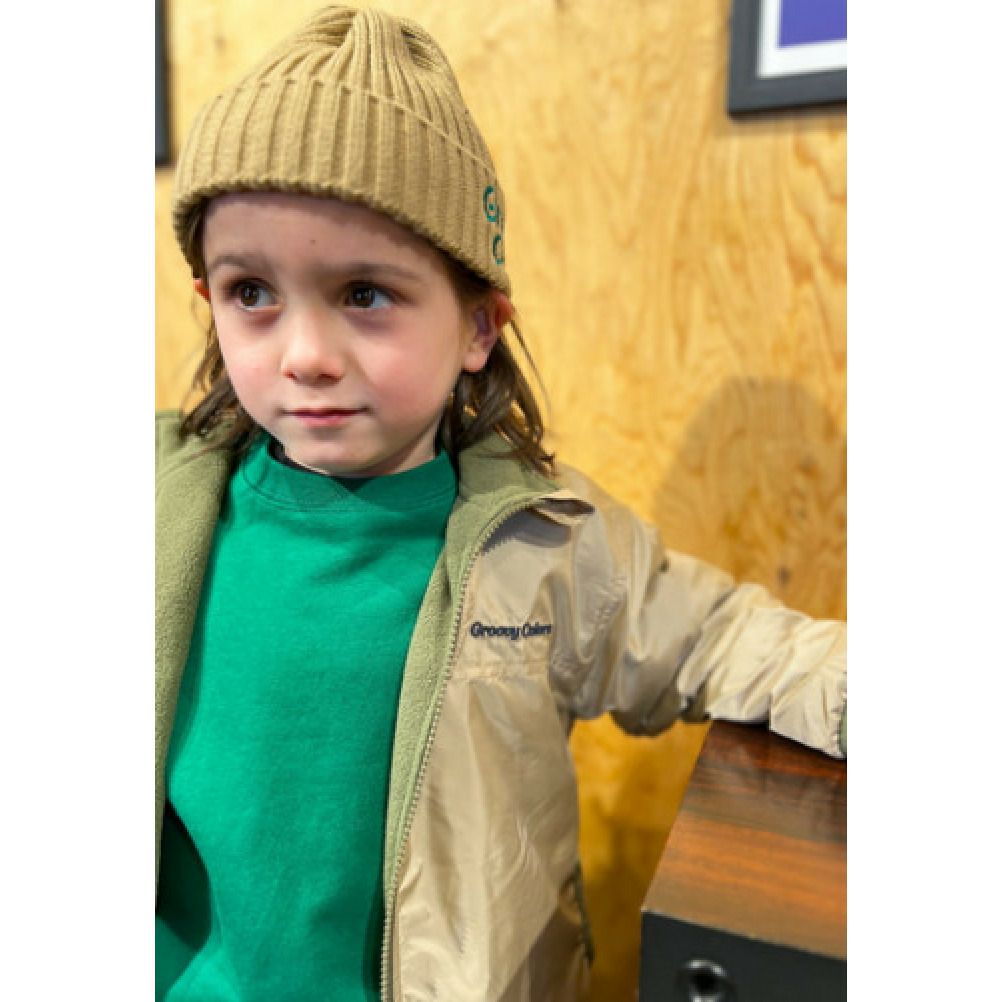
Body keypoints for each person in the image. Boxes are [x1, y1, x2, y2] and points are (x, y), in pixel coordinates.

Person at [155, 6, 847, 1001]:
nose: (303, 355)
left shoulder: (547, 542)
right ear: (207, 300)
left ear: (479, 324)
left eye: (364, 294)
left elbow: (725, 643)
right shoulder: (151, 503)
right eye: (251, 293)